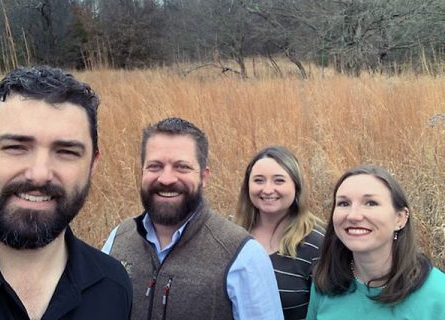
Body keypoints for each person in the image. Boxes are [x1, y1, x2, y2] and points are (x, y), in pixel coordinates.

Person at [0, 66, 132, 320]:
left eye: (66, 152)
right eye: (15, 147)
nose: (39, 174)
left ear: (92, 165)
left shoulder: (112, 287)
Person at [102, 117, 284, 320]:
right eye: (155, 166)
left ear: (204, 177)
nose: (166, 179)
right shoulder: (117, 240)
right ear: (141, 172)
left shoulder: (243, 255)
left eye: (182, 167)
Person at [306, 165, 445, 319]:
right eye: (344, 203)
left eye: (371, 203)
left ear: (400, 218)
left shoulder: (437, 293)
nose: (353, 215)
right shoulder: (326, 282)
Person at [234, 146, 324, 320]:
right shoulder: (230, 234)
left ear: (296, 186)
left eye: (279, 181)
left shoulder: (317, 244)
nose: (267, 190)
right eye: (259, 180)